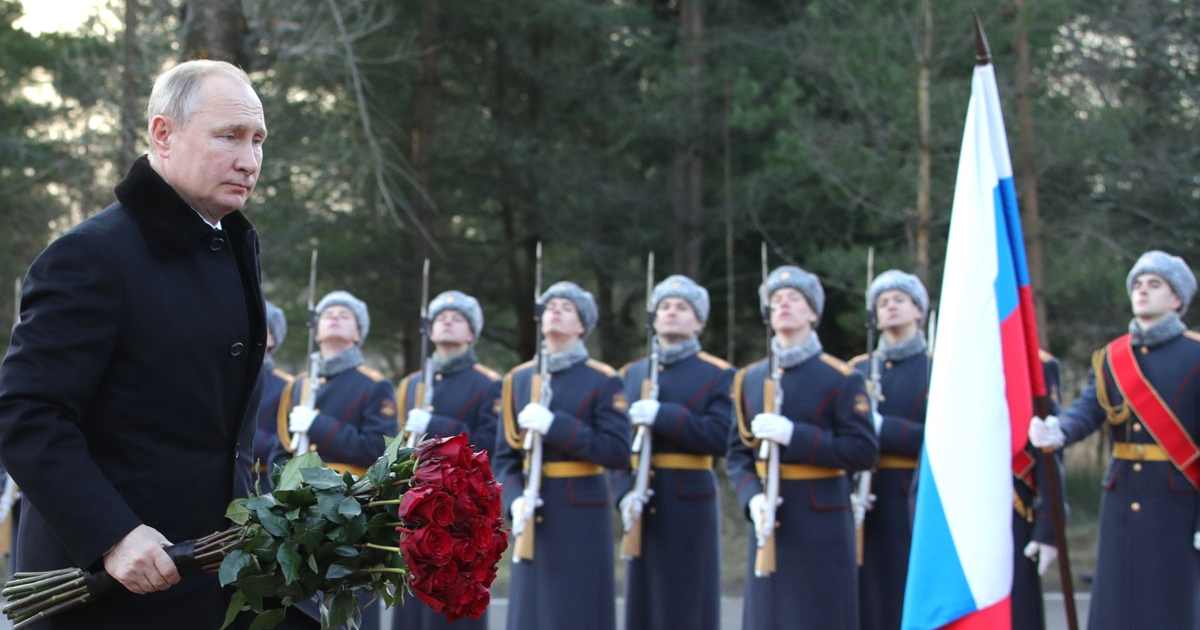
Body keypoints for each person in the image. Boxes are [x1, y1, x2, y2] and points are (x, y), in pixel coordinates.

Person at [0, 60, 277, 629]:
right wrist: (112, 534)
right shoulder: (92, 255)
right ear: (163, 134)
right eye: (229, 136)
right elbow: (26, 412)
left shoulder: (229, 247)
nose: (249, 161)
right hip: (106, 594)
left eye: (257, 140)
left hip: (210, 584)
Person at [1029, 250, 1200, 630]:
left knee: (1170, 608)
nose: (1142, 291)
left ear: (1177, 299)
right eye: (1137, 284)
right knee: (1116, 606)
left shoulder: (1195, 354)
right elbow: (1089, 409)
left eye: (1154, 285)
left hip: (1176, 503)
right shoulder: (1112, 356)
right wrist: (1060, 429)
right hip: (1122, 498)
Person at [727, 265, 878, 630]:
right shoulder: (750, 378)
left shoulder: (841, 378)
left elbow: (862, 451)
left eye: (794, 299)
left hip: (821, 525)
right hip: (769, 523)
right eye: (776, 300)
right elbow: (737, 454)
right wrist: (751, 498)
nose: (783, 305)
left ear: (813, 312)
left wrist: (796, 436)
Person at [493, 281, 631, 630]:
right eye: (550, 306)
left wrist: (556, 425)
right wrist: (513, 500)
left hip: (581, 516)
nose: (555, 311)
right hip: (531, 512)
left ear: (581, 325)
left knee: (576, 612)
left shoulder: (603, 379)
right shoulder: (518, 379)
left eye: (566, 308)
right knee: (530, 615)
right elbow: (505, 458)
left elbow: (616, 450)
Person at [611, 275, 733, 630]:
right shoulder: (630, 374)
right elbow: (617, 447)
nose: (671, 313)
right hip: (641, 500)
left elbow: (721, 437)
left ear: (699, 322)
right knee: (643, 603)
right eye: (664, 306)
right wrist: (622, 493)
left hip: (689, 501)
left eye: (682, 307)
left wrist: (665, 416)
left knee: (686, 600)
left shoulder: (719, 374)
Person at [272, 290, 398, 630]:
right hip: (300, 509)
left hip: (351, 508)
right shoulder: (298, 386)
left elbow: (378, 449)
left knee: (348, 603)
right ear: (316, 330)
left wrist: (319, 425)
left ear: (358, 332)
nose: (334, 318)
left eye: (345, 315)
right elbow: (282, 451)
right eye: (328, 314)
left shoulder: (374, 385)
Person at [392, 290, 502, 630]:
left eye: (457, 318)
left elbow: (489, 443)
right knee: (412, 601)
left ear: (471, 333)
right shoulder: (412, 384)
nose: (447, 322)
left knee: (453, 593)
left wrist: (436, 426)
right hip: (415, 505)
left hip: (461, 509)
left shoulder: (488, 384)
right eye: (440, 317)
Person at [851, 269, 930, 630]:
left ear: (918, 311)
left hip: (913, 492)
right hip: (863, 497)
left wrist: (885, 429)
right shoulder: (856, 369)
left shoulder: (937, 366)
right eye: (882, 302)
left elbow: (944, 440)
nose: (890, 307)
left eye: (899, 300)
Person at [1012, 350, 1066, 630]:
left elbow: (1048, 453)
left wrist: (1049, 526)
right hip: (960, 509)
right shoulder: (950, 358)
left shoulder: (1038, 364)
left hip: (1016, 509)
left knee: (1018, 612)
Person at [253, 301, 294, 491]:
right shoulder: (219, 379)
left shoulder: (287, 386)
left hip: (259, 484)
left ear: (272, 339)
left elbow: (285, 445)